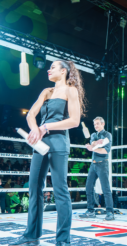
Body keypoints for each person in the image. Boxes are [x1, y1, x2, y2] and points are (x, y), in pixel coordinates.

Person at [9, 60, 84, 246]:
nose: (48, 70)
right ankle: (31, 233)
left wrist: (45, 126)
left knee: (60, 190)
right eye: (49, 67)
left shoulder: (70, 91)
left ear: (64, 71)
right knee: (34, 187)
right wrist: (35, 129)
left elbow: (74, 121)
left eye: (53, 67)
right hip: (40, 144)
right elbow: (30, 115)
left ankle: (63, 240)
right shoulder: (46, 92)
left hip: (59, 142)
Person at [79, 117, 114, 221]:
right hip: (93, 164)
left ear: (103, 124)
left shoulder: (108, 135)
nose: (96, 126)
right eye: (94, 124)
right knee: (88, 186)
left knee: (105, 188)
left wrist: (94, 146)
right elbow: (92, 143)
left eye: (98, 124)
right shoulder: (94, 135)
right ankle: (90, 210)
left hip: (103, 164)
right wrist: (95, 144)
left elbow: (105, 151)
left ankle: (110, 212)